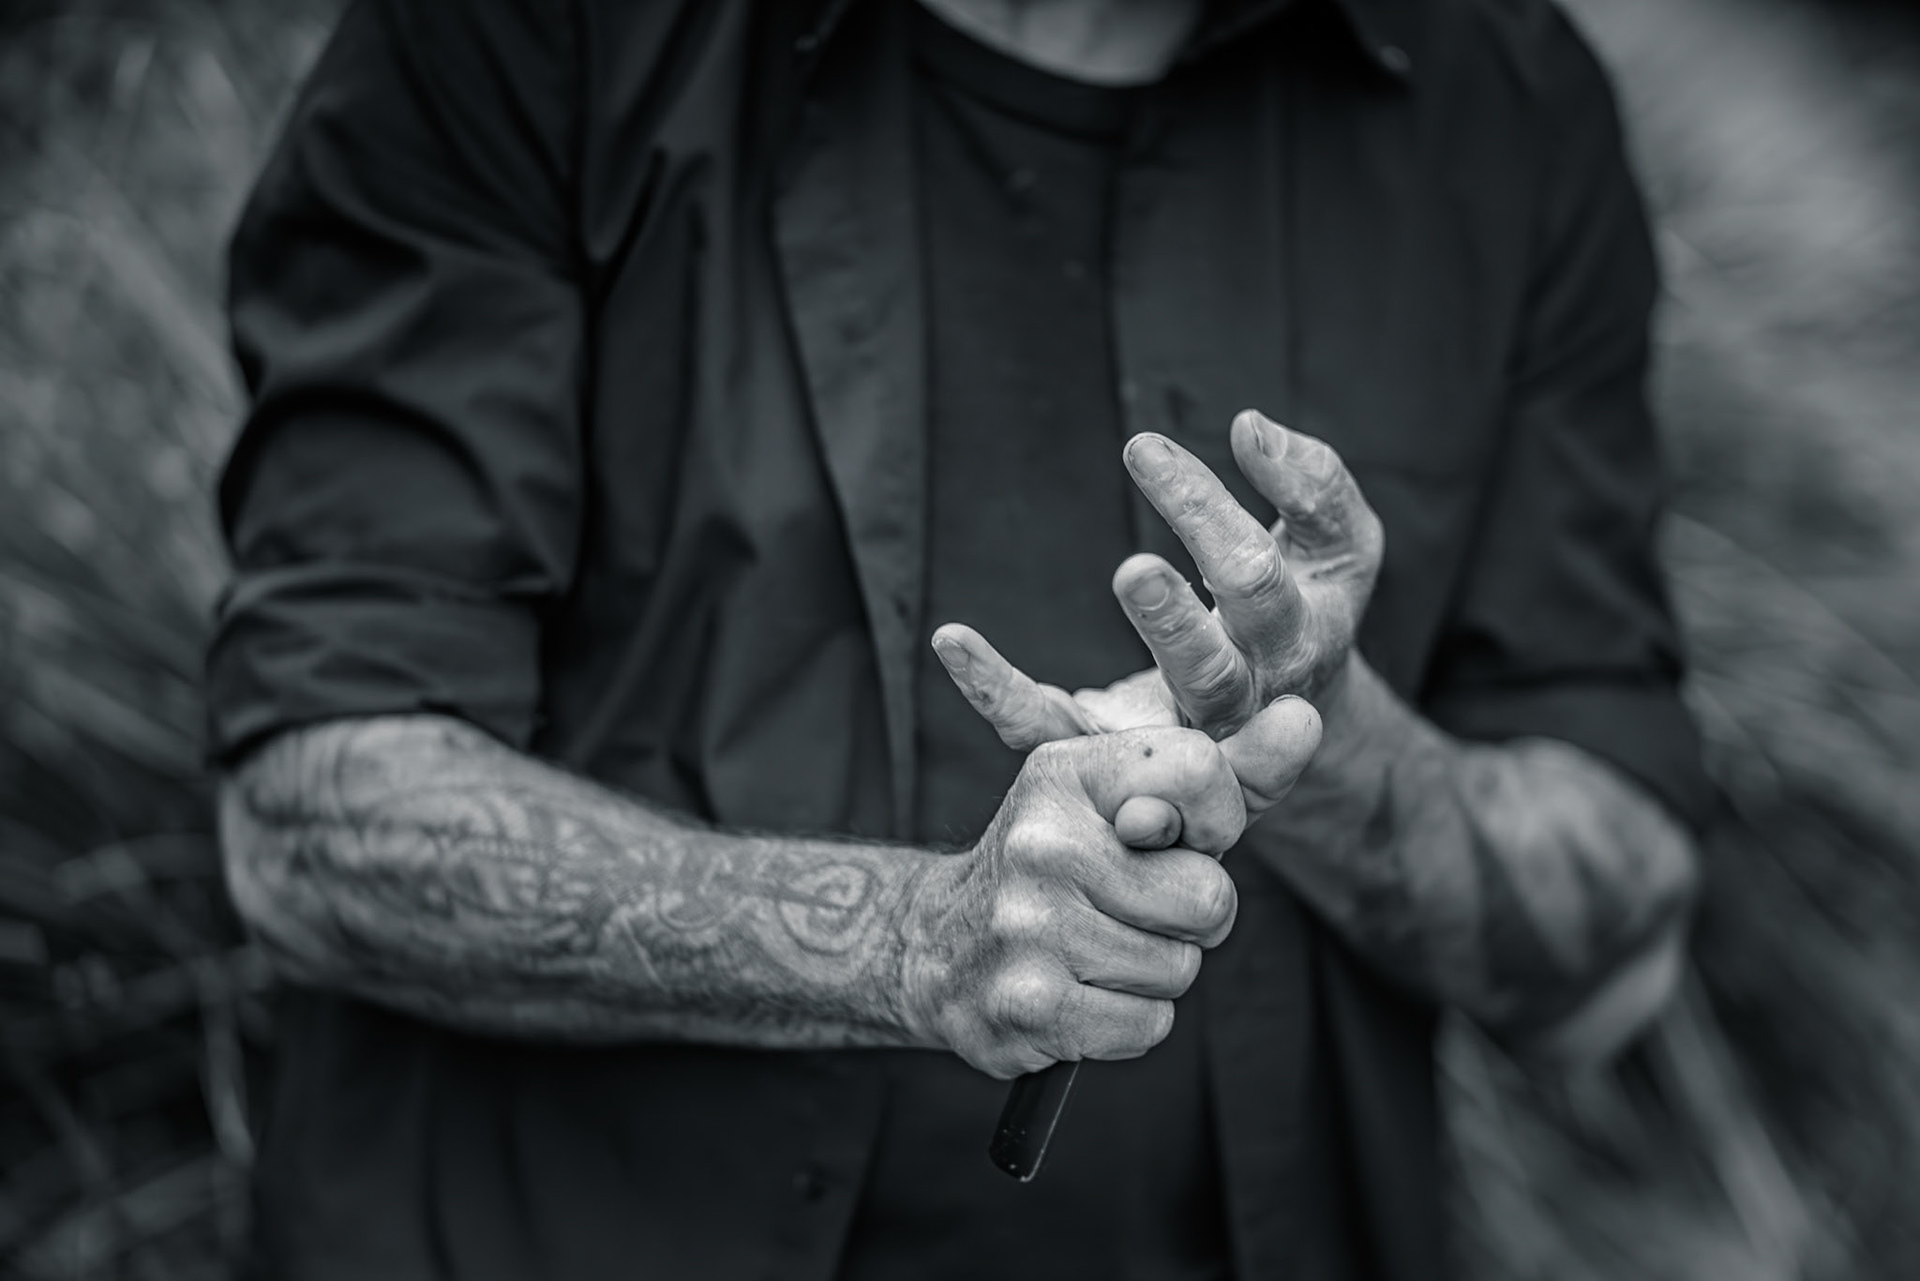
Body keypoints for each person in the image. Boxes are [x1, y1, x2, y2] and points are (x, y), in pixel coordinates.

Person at [207, 0, 1716, 1277]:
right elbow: (313, 821)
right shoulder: (539, 32)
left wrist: (1326, 742)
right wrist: (914, 941)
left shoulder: (1506, 104)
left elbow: (1611, 960)